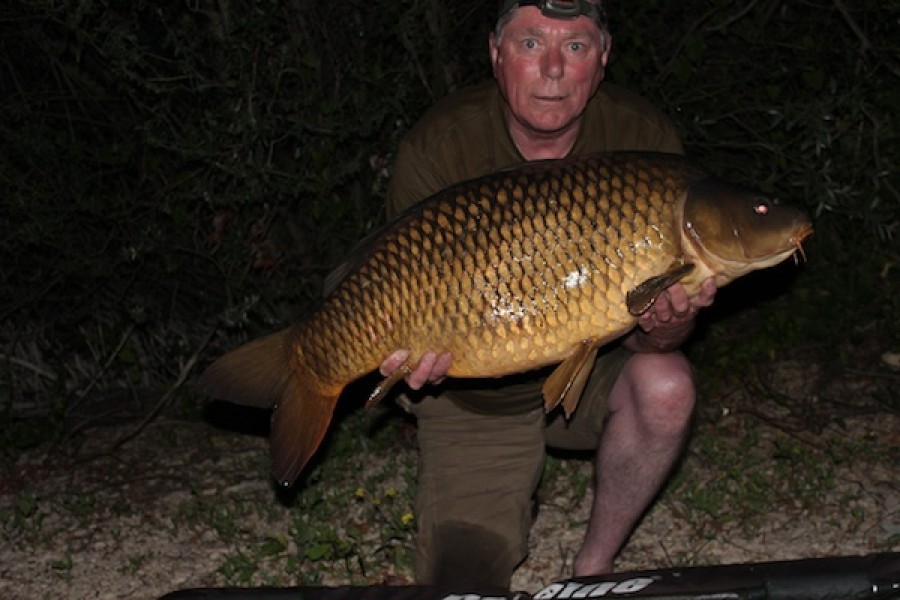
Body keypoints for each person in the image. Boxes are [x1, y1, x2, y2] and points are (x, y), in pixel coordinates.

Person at [378, 0, 717, 587]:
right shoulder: (438, 149)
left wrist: (666, 323)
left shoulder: (644, 140)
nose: (554, 69)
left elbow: (650, 340)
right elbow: (398, 287)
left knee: (666, 385)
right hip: (473, 397)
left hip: (591, 374)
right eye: (531, 43)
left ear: (603, 59)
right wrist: (413, 356)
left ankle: (594, 569)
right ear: (495, 52)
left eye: (577, 46)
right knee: (465, 580)